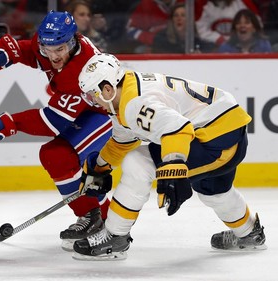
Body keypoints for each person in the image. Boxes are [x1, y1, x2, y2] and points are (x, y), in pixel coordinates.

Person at [71, 53, 266, 260]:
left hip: (215, 140)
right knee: (213, 190)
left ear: (108, 89)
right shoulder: (125, 92)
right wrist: (99, 168)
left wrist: (173, 166)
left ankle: (115, 236)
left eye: (92, 94)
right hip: (224, 130)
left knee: (138, 163)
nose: (91, 100)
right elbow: (123, 141)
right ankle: (249, 233)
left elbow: (177, 129)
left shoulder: (134, 103)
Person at [0, 11, 112, 251]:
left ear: (72, 41)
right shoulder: (49, 43)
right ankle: (96, 218)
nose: (54, 56)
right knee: (56, 156)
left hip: (108, 115)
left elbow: (53, 122)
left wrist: (8, 124)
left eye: (60, 49)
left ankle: (101, 223)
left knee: (62, 156)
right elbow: (34, 53)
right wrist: (10, 51)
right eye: (49, 48)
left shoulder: (81, 68)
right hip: (85, 111)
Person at [152, 3, 216, 53]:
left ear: (190, 20)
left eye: (183, 15)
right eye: (176, 15)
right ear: (172, 20)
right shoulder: (161, 39)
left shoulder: (197, 39)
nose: (179, 18)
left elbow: (212, 48)